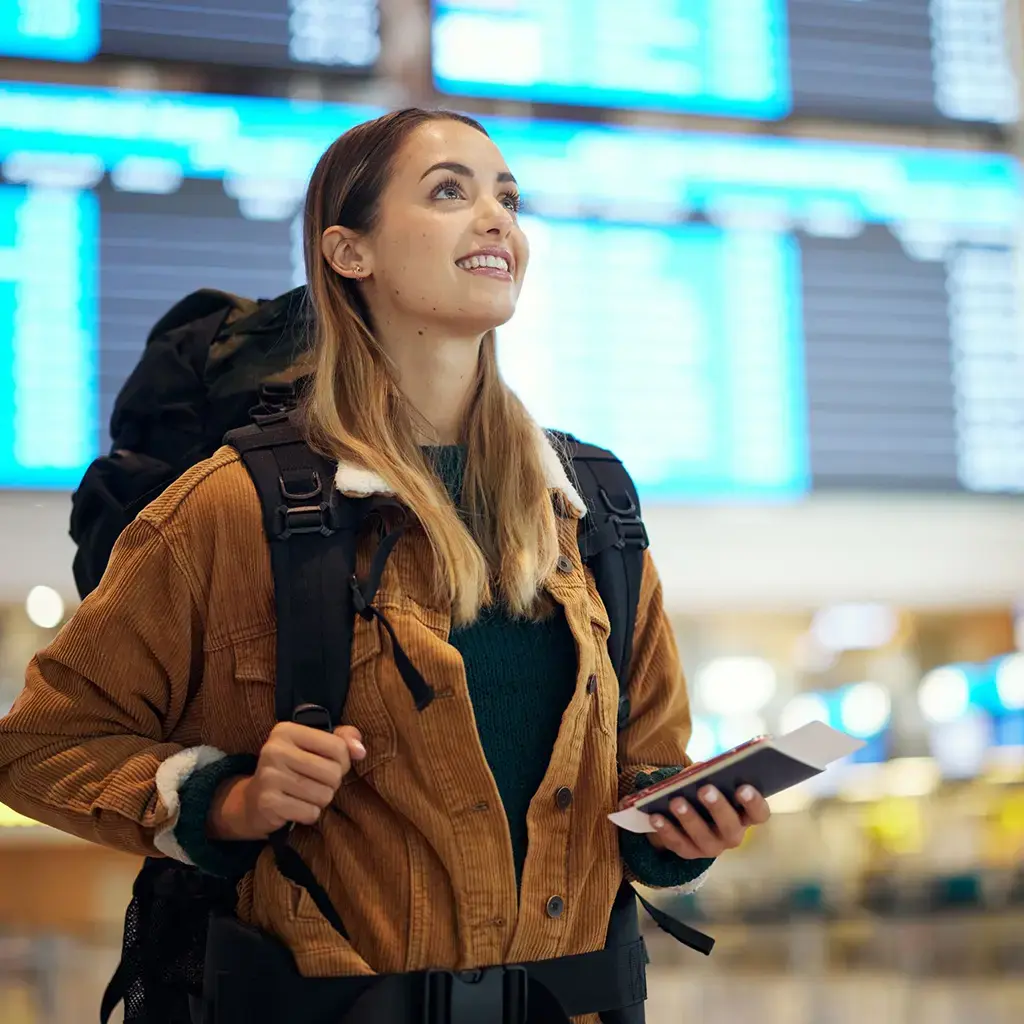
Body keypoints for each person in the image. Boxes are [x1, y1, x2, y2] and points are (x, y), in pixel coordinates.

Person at [0, 109, 771, 1023]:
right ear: (347, 253)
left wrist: (676, 832)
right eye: (450, 192)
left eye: (507, 198)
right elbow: (43, 744)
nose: (498, 221)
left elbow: (642, 770)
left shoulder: (587, 508)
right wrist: (227, 800)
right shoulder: (233, 506)